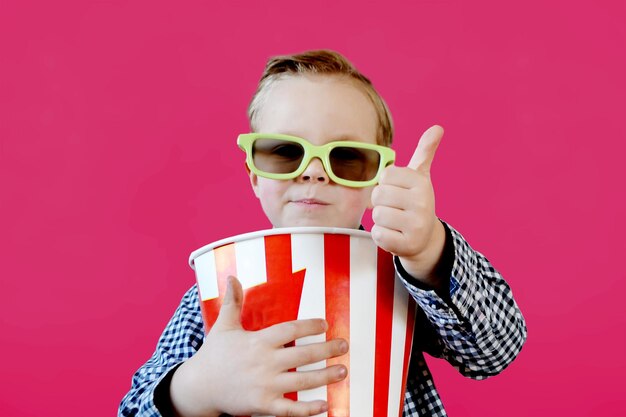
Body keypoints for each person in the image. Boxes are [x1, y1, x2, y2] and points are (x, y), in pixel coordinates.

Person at [119, 49, 527, 417]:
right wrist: (194, 388)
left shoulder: (398, 272)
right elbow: (134, 409)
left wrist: (430, 251)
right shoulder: (223, 291)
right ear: (254, 176)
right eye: (284, 152)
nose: (313, 171)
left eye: (347, 158)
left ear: (378, 179)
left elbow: (495, 350)